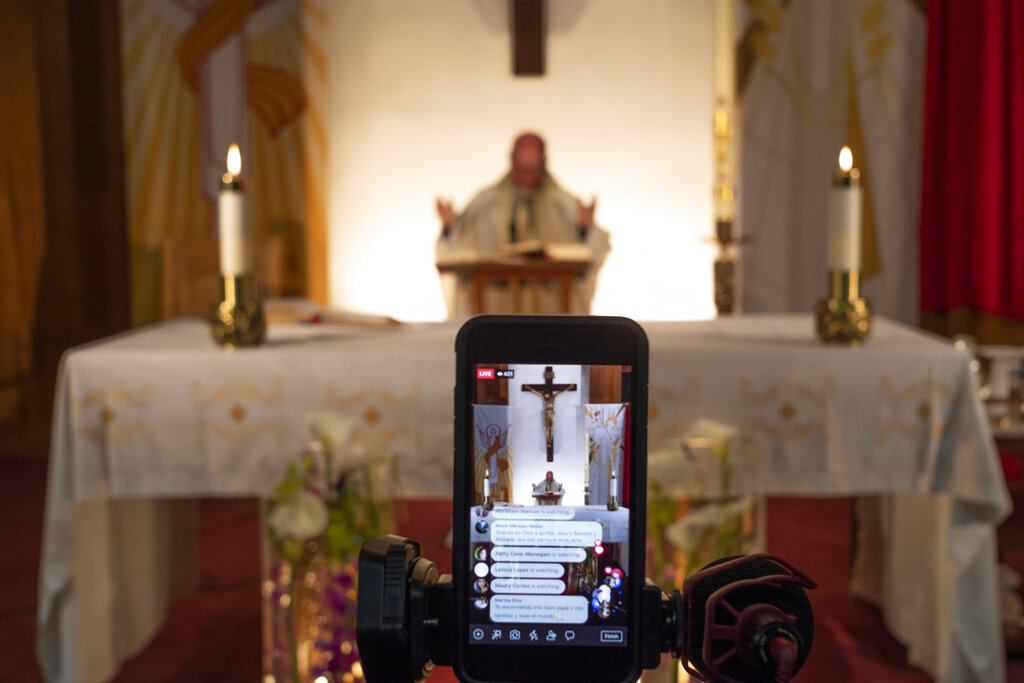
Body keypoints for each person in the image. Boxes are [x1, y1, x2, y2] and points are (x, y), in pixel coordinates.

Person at [435, 132, 610, 315]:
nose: (527, 177)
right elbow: (456, 250)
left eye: (532, 170)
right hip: (495, 309)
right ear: (511, 160)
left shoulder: (562, 205)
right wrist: (449, 228)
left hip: (549, 310)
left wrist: (585, 229)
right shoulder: (486, 203)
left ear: (544, 162)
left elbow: (592, 253)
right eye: (522, 169)